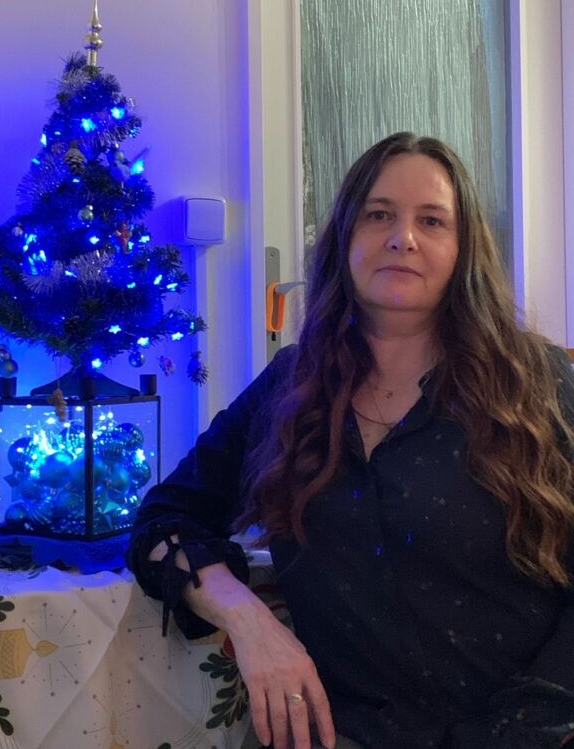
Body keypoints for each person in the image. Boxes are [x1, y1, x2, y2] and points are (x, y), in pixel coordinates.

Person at [127, 132, 574, 749]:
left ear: (464, 247)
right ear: (344, 235)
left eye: (432, 220)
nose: (403, 237)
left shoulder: (538, 385)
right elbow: (162, 523)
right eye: (379, 214)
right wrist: (249, 619)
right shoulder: (290, 387)